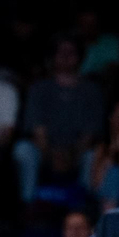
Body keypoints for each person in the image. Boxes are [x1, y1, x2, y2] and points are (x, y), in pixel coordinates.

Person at [14, 40, 106, 202]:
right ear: (53, 57)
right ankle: (28, 204)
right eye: (61, 52)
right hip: (45, 152)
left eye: (71, 52)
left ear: (79, 57)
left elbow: (89, 134)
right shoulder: (40, 89)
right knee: (23, 150)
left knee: (93, 155)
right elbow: (38, 130)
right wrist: (50, 155)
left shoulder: (91, 91)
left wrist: (72, 156)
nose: (65, 56)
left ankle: (84, 205)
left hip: (77, 153)